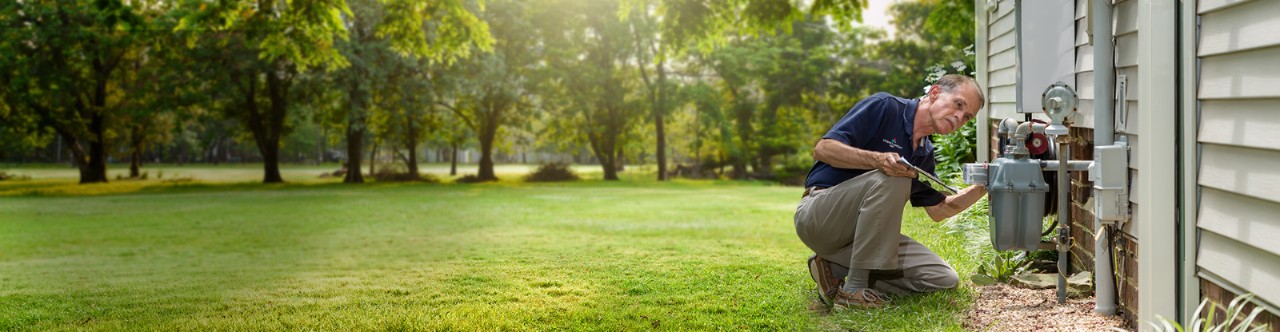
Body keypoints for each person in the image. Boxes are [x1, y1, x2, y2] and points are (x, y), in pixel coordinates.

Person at [794, 74, 988, 310]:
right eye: (959, 104)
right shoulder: (885, 107)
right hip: (820, 217)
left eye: (967, 117)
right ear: (935, 93)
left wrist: (985, 186)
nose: (959, 117)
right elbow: (823, 149)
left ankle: (831, 268)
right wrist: (878, 160)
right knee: (895, 178)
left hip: (860, 239)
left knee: (943, 279)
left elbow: (939, 210)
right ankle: (853, 290)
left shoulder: (924, 153)